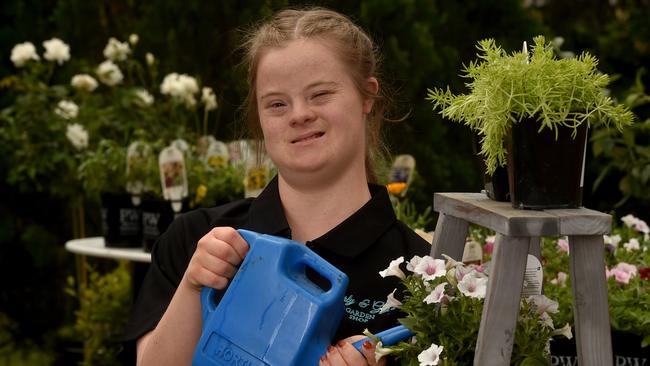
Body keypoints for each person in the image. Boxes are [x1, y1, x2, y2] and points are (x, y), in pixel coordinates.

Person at [123, 7, 431, 366]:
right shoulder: (199, 239)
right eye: (277, 103)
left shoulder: (421, 276)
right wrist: (194, 287)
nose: (299, 114)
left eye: (320, 94)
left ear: (367, 96)